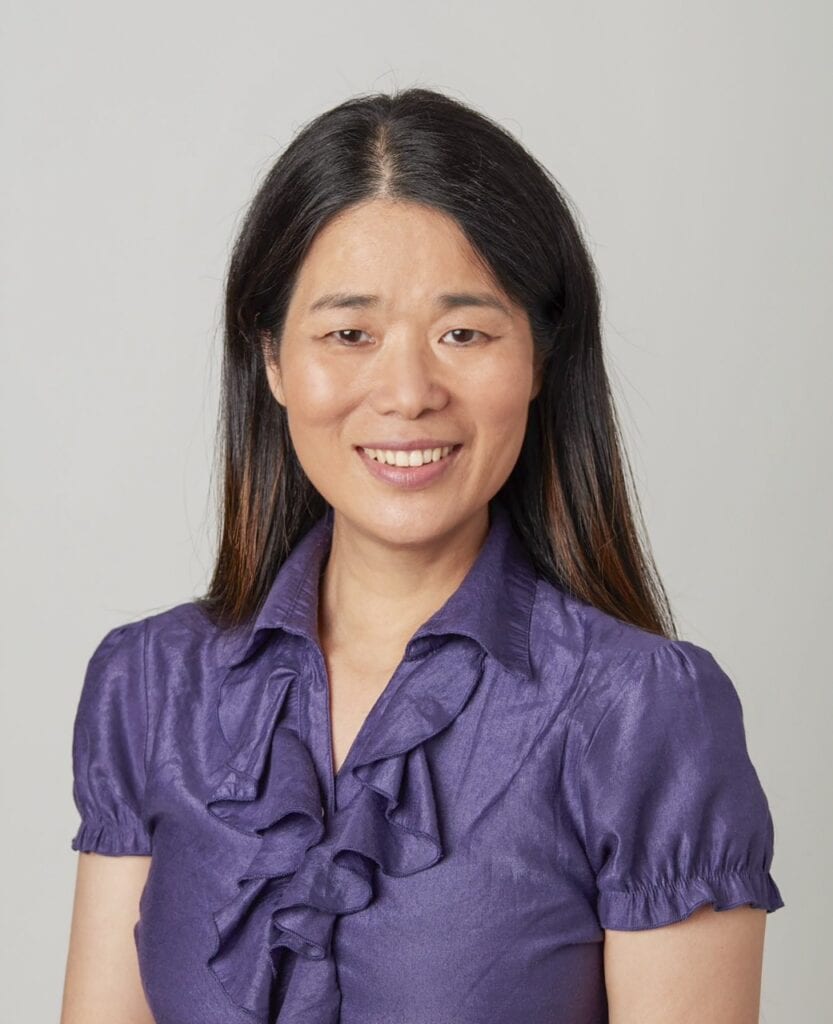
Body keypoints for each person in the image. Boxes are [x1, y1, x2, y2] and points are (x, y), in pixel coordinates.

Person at [60, 87, 785, 1024]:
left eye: (464, 334)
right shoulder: (149, 685)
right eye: (348, 334)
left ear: (539, 357)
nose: (406, 392)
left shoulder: (643, 714)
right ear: (274, 360)